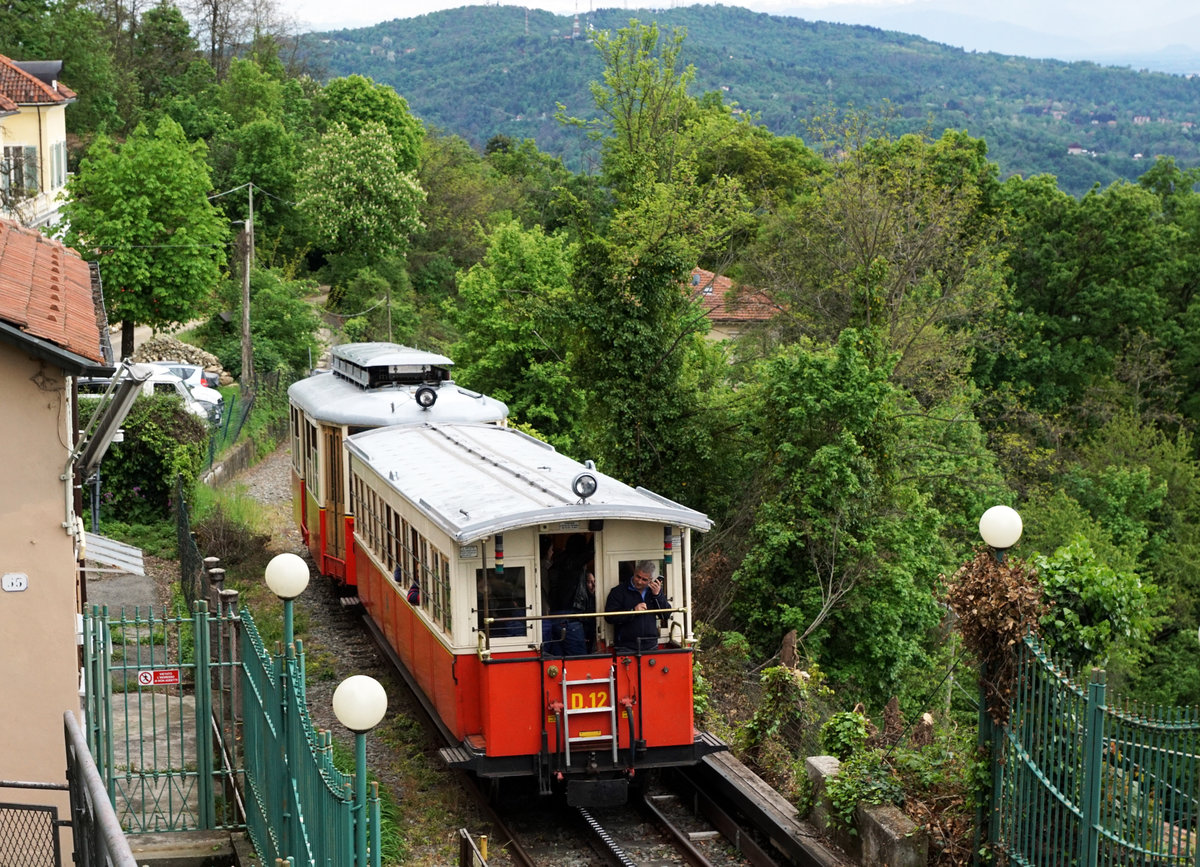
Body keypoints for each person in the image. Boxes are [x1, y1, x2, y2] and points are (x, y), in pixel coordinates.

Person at [604, 560, 667, 653]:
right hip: (626, 646)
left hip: (650, 644)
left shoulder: (654, 592)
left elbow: (666, 615)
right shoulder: (618, 591)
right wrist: (632, 611)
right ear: (634, 573)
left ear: (650, 579)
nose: (640, 582)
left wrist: (657, 596)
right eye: (638, 577)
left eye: (644, 579)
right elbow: (609, 617)